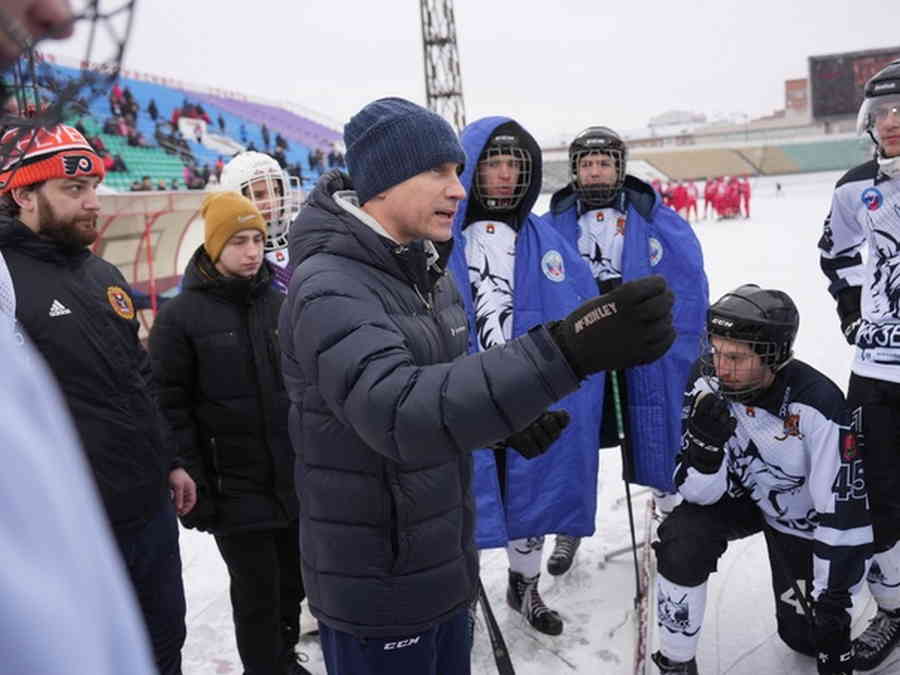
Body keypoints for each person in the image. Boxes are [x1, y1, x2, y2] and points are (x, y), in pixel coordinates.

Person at [279, 96, 676, 675]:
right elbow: (398, 410)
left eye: (458, 172)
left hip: (440, 567)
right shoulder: (329, 286)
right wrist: (563, 352)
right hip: (380, 588)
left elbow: (437, 387)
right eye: (438, 172)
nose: (459, 189)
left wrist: (500, 426)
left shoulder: (421, 272)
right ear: (385, 181)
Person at [0, 123, 194, 675]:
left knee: (164, 645)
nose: (92, 203)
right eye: (73, 190)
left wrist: (172, 460)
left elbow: (138, 377)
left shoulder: (103, 273)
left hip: (147, 511)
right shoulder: (4, 277)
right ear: (23, 194)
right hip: (73, 527)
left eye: (94, 188)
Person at [652, 285, 874, 675]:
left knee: (806, 638)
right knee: (682, 537)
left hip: (801, 518)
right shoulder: (705, 382)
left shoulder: (818, 404)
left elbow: (841, 511)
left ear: (773, 357)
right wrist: (704, 452)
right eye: (717, 352)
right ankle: (675, 659)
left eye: (736, 357)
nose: (721, 367)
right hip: (738, 498)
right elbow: (699, 494)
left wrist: (834, 599)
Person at [446, 117, 601, 635]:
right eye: (494, 164)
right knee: (464, 498)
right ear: (472, 170)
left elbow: (579, 309)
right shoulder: (443, 238)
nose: (506, 175)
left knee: (528, 491)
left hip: (526, 393)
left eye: (515, 164)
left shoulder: (547, 240)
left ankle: (523, 585)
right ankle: (463, 598)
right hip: (463, 393)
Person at [149, 192, 309, 675]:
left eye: (258, 239)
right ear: (214, 246)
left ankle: (282, 658)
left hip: (288, 482)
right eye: (238, 240)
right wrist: (189, 474)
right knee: (257, 592)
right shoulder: (180, 317)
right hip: (231, 487)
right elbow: (167, 404)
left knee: (291, 586)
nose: (252, 250)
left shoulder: (280, 304)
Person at [543, 126, 708, 575]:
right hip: (583, 337)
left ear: (619, 168)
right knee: (575, 428)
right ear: (575, 170)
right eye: (587, 164)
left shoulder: (649, 215)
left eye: (604, 163)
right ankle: (568, 525)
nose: (595, 172)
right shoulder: (553, 222)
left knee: (650, 418)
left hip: (634, 334)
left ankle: (668, 505)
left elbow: (686, 272)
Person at [818, 58, 900, 670]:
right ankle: (895, 606)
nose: (893, 123)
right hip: (877, 369)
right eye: (882, 113)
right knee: (876, 491)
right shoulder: (854, 187)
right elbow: (837, 253)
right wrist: (853, 313)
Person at [219, 150, 300, 294]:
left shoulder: (303, 238)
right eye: (258, 195)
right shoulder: (224, 259)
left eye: (275, 191)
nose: (272, 203)